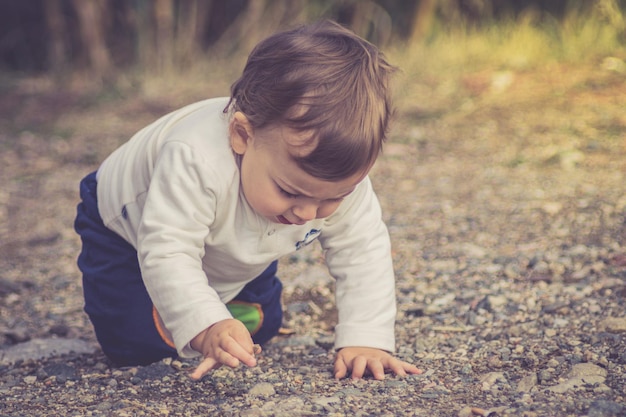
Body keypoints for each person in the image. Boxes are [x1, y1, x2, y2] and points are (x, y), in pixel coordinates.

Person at [74, 20, 420, 381]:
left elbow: (363, 251)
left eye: (332, 197)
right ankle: (197, 312)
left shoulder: (337, 180)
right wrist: (207, 325)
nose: (306, 213)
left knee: (263, 324)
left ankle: (217, 304)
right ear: (242, 135)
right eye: (289, 191)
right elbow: (168, 248)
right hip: (126, 225)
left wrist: (366, 338)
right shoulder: (195, 157)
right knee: (136, 344)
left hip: (233, 234)